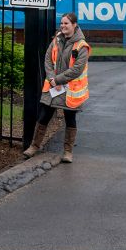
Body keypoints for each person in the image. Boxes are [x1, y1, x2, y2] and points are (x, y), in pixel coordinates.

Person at [22, 12, 90, 164]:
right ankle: (34, 146)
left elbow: (77, 70)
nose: (63, 26)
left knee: (70, 119)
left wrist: (57, 80)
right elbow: (47, 59)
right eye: (61, 23)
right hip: (53, 87)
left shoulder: (81, 46)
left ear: (74, 25)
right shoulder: (56, 40)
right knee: (44, 116)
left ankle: (67, 152)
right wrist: (52, 78)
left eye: (66, 23)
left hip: (70, 90)